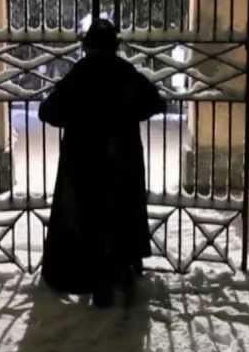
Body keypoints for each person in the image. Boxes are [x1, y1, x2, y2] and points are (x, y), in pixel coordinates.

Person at [38, 19, 167, 307]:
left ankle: (89, 274)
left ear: (87, 46)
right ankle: (118, 269)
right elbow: (157, 103)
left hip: (84, 161)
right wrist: (126, 114)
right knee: (119, 215)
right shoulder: (125, 73)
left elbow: (48, 112)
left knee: (86, 217)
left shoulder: (79, 74)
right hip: (121, 159)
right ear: (115, 45)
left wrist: (78, 117)